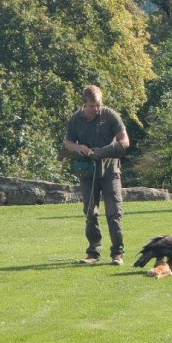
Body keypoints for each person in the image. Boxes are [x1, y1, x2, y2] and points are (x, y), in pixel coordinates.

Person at [64, 85, 130, 265]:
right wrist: (77, 147)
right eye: (92, 105)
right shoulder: (76, 119)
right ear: (84, 104)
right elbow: (68, 142)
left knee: (114, 212)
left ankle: (117, 254)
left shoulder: (110, 116)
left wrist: (103, 151)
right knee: (90, 212)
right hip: (88, 172)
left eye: (98, 104)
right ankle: (93, 253)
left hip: (110, 171)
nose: (96, 109)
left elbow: (125, 142)